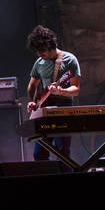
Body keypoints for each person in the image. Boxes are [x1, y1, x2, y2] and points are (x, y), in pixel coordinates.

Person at [25, 25, 81, 160]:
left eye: (42, 50)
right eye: (37, 51)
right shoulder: (39, 63)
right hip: (44, 109)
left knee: (62, 152)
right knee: (39, 153)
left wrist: (61, 91)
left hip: (63, 108)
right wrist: (32, 101)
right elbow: (31, 86)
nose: (39, 54)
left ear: (51, 45)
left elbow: (76, 89)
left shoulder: (69, 60)